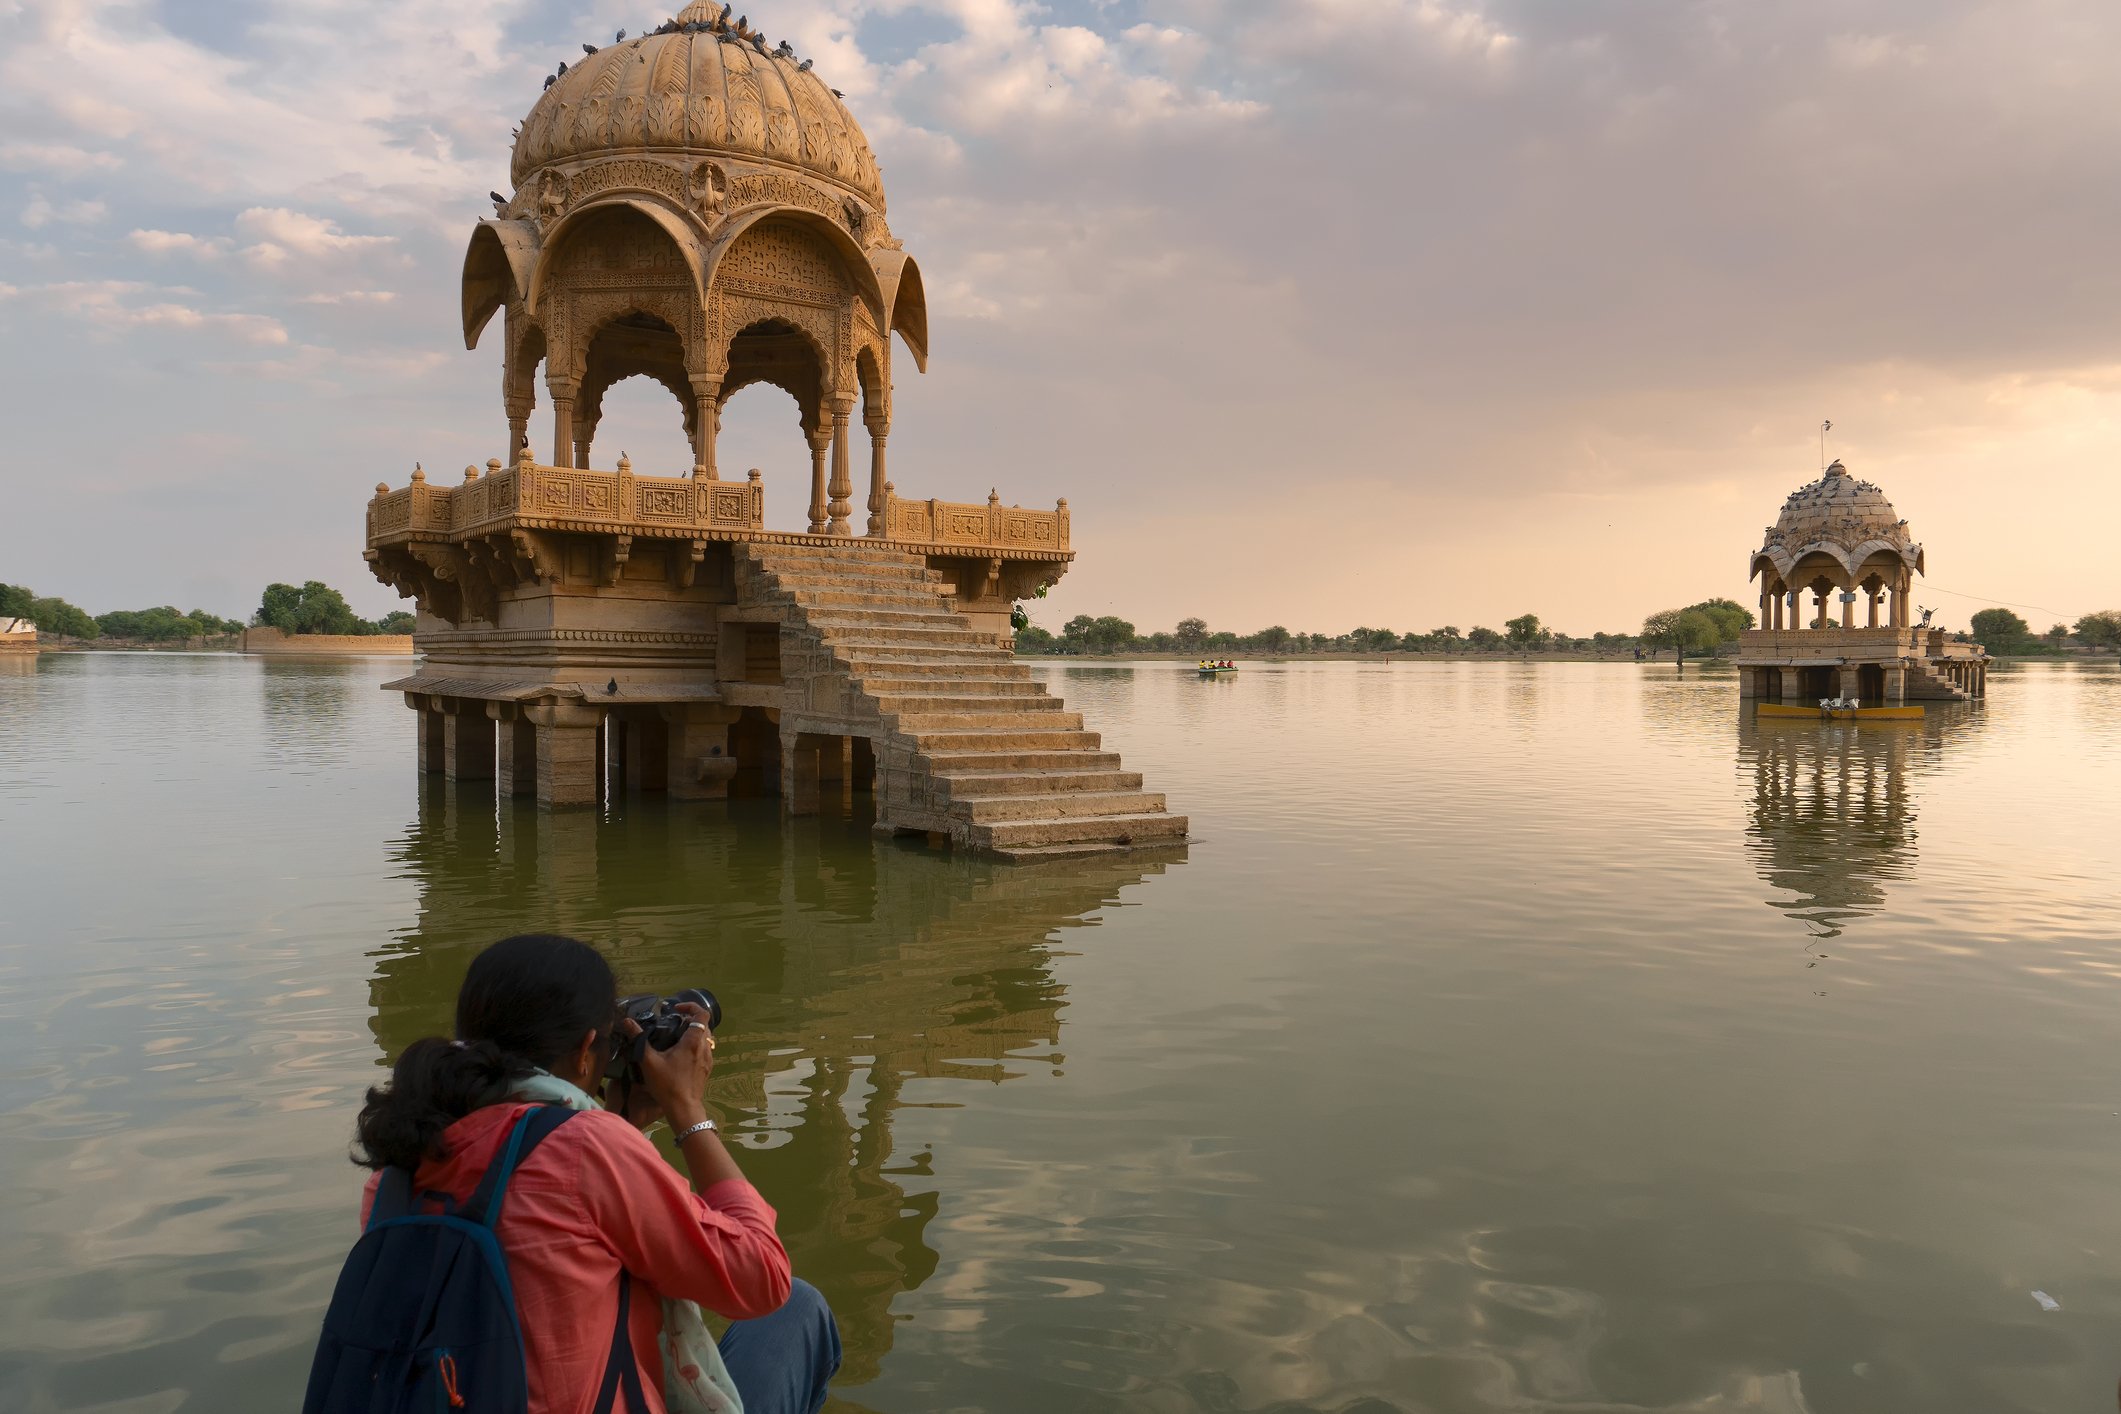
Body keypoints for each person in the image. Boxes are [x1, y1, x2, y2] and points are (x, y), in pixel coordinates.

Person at [350, 934, 840, 1414]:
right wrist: (686, 1108)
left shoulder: (398, 1168)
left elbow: (554, 1238)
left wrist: (623, 1127)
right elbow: (761, 1277)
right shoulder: (585, 1150)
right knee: (796, 1310)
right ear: (587, 1051)